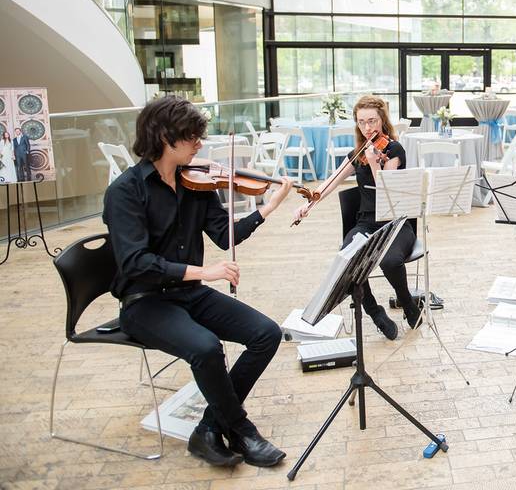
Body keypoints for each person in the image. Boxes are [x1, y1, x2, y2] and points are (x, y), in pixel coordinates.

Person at [103, 96, 295, 467]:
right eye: (192, 136)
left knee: (266, 334)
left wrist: (268, 206)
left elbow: (225, 235)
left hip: (188, 293)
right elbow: (136, 263)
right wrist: (206, 272)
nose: (200, 143)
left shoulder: (196, 183)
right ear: (164, 136)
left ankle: (208, 429)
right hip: (145, 302)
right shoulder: (125, 192)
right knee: (207, 348)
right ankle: (242, 431)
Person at [295, 95, 420, 340]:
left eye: (372, 121)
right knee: (346, 263)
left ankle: (408, 304)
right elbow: (330, 182)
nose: (368, 127)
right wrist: (309, 204)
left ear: (382, 120)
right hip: (366, 224)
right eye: (362, 122)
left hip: (395, 224)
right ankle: (375, 313)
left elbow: (386, 192)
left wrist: (374, 163)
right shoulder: (358, 152)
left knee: (390, 261)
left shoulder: (394, 149)